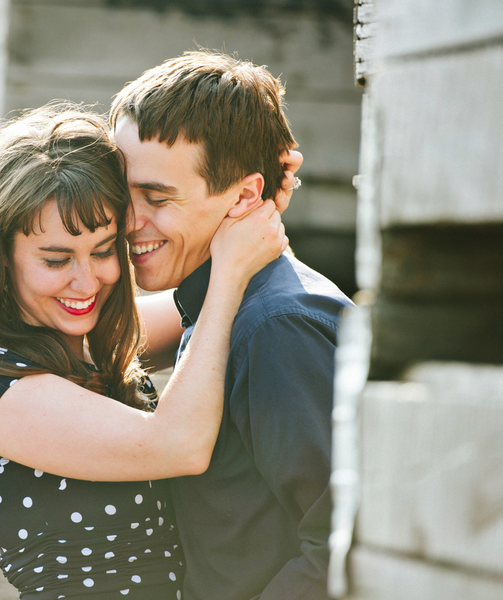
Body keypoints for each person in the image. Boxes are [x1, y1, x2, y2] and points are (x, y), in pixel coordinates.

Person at [0, 102, 291, 599]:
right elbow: (178, 444)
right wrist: (229, 271)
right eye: (56, 260)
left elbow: (210, 310)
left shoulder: (103, 344)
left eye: (103, 250)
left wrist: (248, 202)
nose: (86, 281)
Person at [109, 49, 355, 600]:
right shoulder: (220, 303)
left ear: (245, 195)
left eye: (157, 197)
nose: (129, 221)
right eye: (123, 193)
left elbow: (342, 544)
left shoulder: (277, 327)